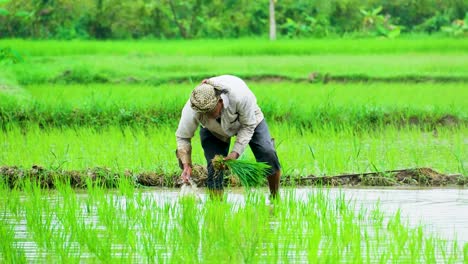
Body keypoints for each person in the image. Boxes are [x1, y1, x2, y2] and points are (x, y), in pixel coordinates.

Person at [175, 75, 281, 199]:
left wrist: (234, 154)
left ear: (220, 101)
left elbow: (248, 126)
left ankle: (275, 196)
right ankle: (216, 207)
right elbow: (183, 137)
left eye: (210, 112)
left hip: (248, 120)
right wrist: (186, 164)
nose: (208, 116)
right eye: (204, 114)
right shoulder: (193, 108)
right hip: (213, 130)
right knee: (214, 167)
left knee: (267, 152)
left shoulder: (240, 96)